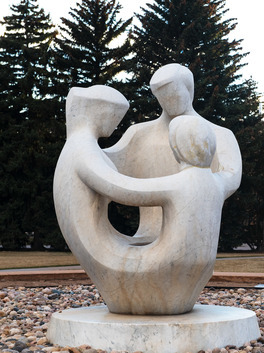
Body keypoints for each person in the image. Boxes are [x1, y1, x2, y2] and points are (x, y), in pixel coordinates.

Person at [53, 85, 235, 314]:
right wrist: (178, 187)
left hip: (153, 258)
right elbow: (119, 187)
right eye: (114, 117)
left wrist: (176, 187)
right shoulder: (83, 150)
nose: (115, 125)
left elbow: (122, 188)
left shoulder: (83, 148)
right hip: (99, 248)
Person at [104, 63, 241, 239]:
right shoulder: (138, 134)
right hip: (146, 236)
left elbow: (231, 176)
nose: (169, 103)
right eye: (163, 98)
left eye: (174, 95)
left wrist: (193, 184)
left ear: (189, 90)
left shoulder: (220, 135)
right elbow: (105, 165)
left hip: (196, 236)